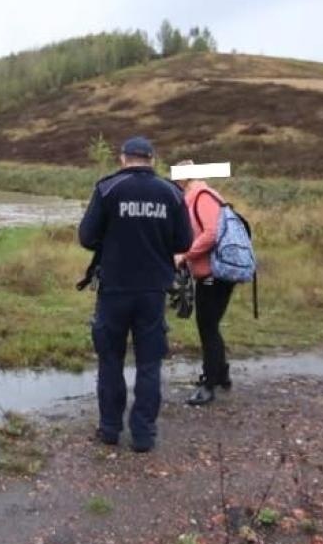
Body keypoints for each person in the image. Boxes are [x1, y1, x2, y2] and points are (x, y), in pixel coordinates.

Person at [77, 136, 192, 452]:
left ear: (123, 158)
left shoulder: (108, 188)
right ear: (153, 160)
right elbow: (184, 242)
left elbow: (86, 237)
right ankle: (143, 435)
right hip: (153, 291)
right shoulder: (171, 192)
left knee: (110, 360)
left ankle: (110, 430)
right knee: (149, 363)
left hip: (114, 289)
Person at [173, 162, 236, 406]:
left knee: (207, 327)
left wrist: (185, 254)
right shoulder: (202, 195)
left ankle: (209, 385)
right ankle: (220, 374)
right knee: (211, 324)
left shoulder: (201, 197)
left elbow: (211, 233)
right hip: (212, 272)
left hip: (215, 273)